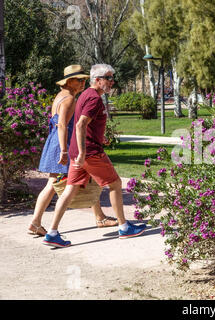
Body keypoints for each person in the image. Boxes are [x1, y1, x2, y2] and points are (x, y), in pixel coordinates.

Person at [43, 64, 146, 248]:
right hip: (89, 153)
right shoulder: (94, 99)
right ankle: (124, 227)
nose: (112, 82)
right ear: (97, 80)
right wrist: (83, 153)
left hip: (80, 152)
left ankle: (52, 233)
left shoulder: (86, 95)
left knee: (70, 190)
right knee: (115, 184)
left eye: (112, 78)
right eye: (108, 78)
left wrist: (99, 137)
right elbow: (80, 125)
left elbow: (86, 124)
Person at [29, 65, 118, 237]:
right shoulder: (69, 99)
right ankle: (35, 222)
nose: (83, 82)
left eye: (84, 79)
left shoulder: (61, 96)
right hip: (64, 144)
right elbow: (63, 125)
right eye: (79, 79)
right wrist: (63, 150)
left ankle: (98, 217)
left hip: (56, 142)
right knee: (56, 184)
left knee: (81, 179)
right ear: (69, 81)